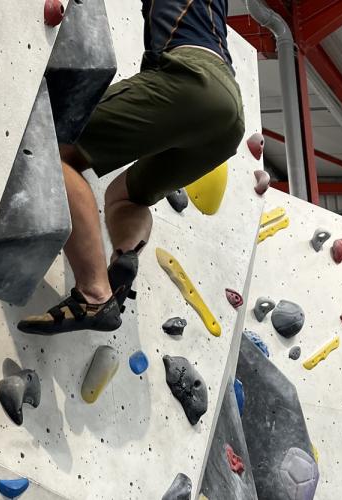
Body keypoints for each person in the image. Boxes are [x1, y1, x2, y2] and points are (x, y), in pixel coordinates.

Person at [18, 0, 244, 335]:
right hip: (228, 117)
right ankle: (123, 257)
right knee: (126, 198)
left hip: (193, 78)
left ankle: (94, 294)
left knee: (51, 147)